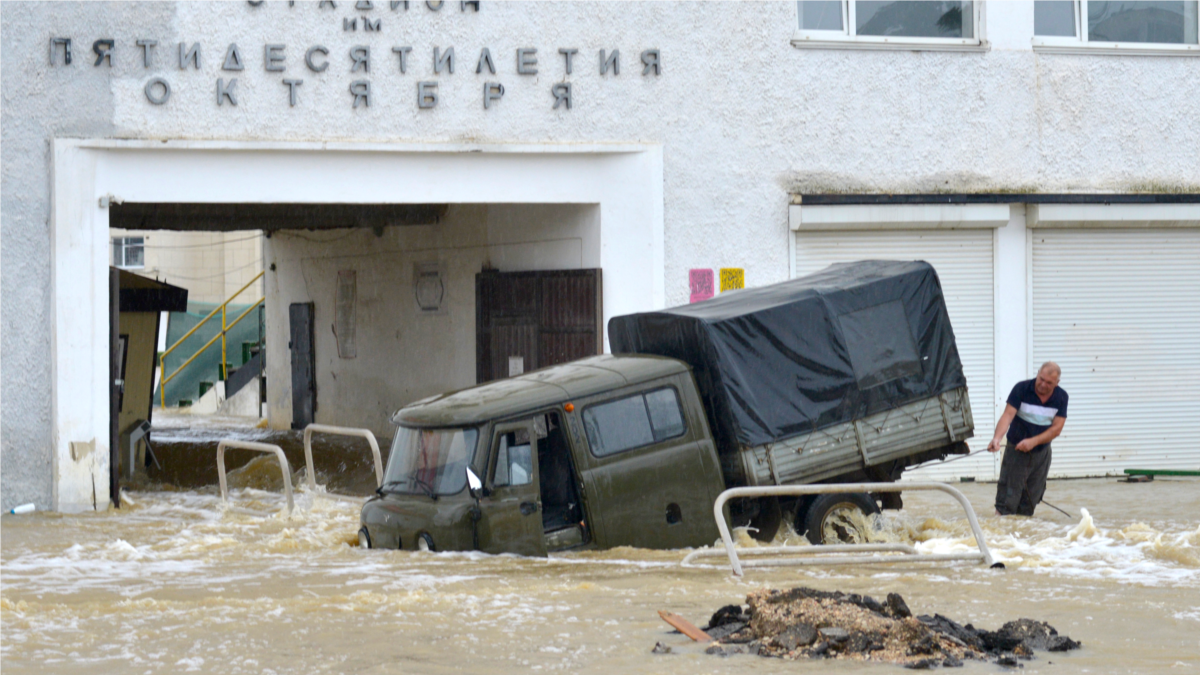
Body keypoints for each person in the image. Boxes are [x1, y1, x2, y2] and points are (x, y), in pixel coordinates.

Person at [987, 362, 1068, 516]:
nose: (1042, 384)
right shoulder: (1021, 389)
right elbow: (1007, 415)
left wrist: (1033, 442)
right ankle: (999, 535)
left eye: (1048, 383)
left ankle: (1023, 536)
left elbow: (1056, 429)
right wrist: (997, 438)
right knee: (1007, 500)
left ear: (1057, 383)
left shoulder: (1062, 397)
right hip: (1016, 452)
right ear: (1037, 374)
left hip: (1041, 454)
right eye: (1041, 379)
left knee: (1030, 500)